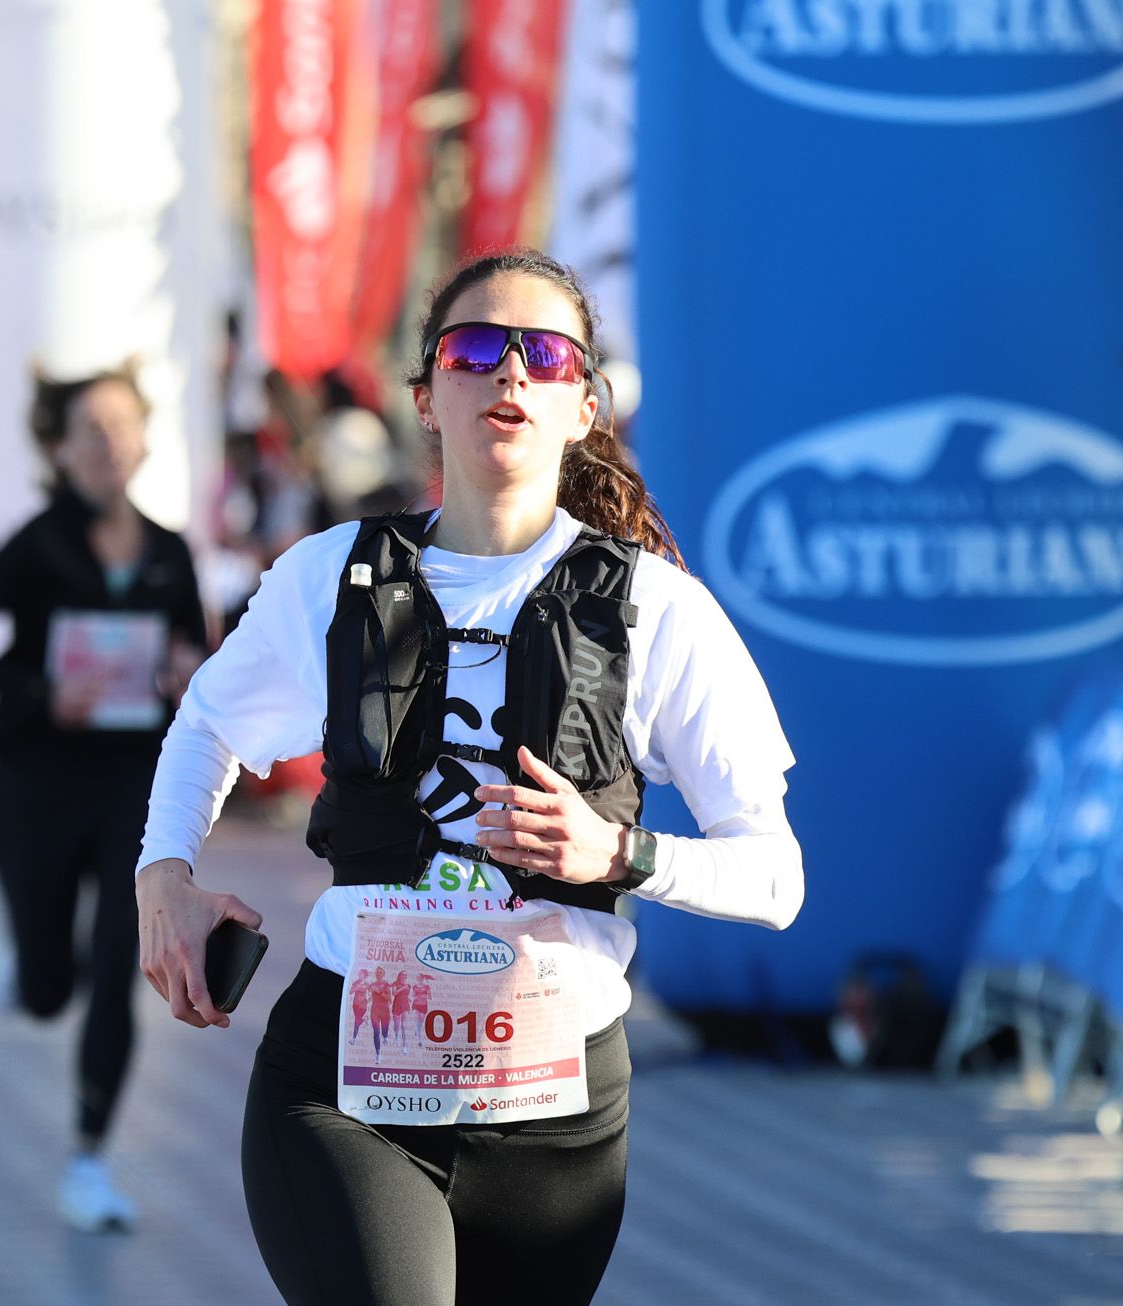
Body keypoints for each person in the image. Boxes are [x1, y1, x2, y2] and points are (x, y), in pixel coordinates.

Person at [134, 249, 804, 1304]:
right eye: (474, 348)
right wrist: (161, 874)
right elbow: (206, 726)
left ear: (584, 405)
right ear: (424, 398)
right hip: (347, 1086)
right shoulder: (331, 575)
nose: (508, 374)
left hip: (553, 1119)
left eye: (543, 354)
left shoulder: (659, 611)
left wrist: (618, 854)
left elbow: (774, 878)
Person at [0, 363, 206, 1233]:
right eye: (90, 429)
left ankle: (89, 1160)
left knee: (119, 974)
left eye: (122, 427)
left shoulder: (170, 550)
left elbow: (200, 659)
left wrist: (187, 671)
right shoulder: (36, 545)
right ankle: (35, 966)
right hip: (38, 785)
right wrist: (42, 690)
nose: (108, 444)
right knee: (51, 990)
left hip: (134, 785)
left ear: (145, 440)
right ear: (59, 448)